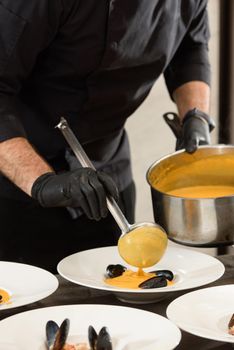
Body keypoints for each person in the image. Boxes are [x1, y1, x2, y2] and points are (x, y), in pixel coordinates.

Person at [0, 0, 215, 273]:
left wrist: (195, 116)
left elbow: (191, 47)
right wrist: (41, 183)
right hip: (16, 184)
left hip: (108, 179)